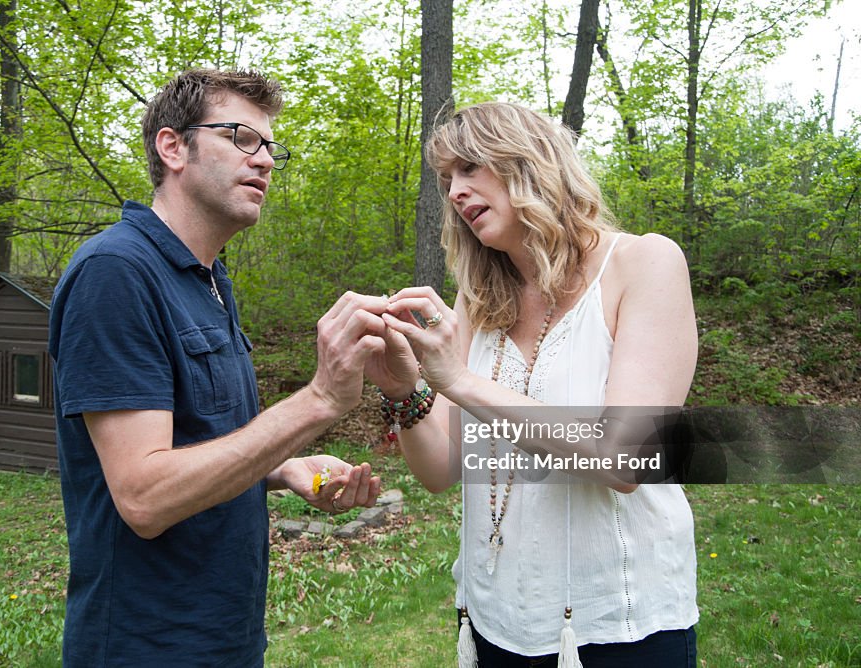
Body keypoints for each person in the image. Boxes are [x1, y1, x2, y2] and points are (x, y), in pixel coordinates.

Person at [48, 69, 385, 667]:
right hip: (145, 648)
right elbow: (145, 497)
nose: (266, 161)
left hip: (226, 639)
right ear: (173, 147)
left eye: (270, 146)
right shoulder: (116, 273)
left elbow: (202, 442)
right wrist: (320, 400)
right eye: (241, 138)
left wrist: (286, 469)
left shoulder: (209, 279)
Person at [365, 102, 699, 666]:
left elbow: (626, 462)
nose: (454, 192)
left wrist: (459, 381)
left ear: (529, 160)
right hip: (495, 617)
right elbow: (441, 470)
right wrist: (405, 391)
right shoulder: (480, 298)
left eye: (470, 168)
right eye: (447, 180)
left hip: (614, 629)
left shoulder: (644, 264)